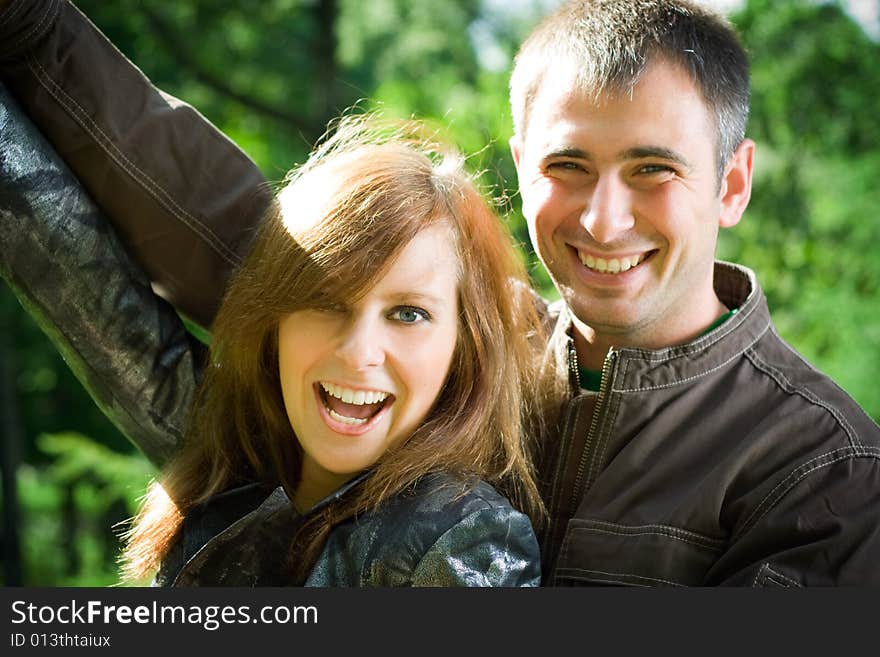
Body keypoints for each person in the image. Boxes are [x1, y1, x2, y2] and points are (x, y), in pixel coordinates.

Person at [2, 0, 879, 586]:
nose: (605, 219)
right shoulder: (461, 344)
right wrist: (32, 29)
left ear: (733, 183)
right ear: (524, 170)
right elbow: (228, 226)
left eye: (654, 170)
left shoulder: (823, 470)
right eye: (567, 166)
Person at [1, 89, 549, 585]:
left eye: (408, 314)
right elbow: (61, 261)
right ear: (277, 318)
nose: (358, 352)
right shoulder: (226, 447)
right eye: (326, 300)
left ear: (464, 345)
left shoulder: (469, 542)